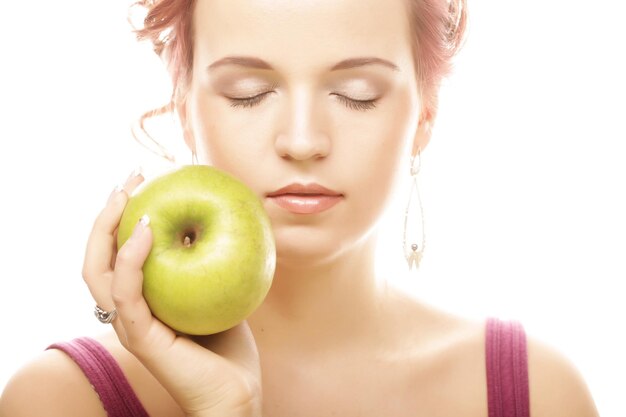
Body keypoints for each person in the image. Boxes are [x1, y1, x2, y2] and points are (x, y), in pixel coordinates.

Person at [0, 0, 600, 416]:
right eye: (249, 94)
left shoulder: (537, 395)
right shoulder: (62, 402)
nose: (303, 140)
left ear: (424, 115)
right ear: (184, 110)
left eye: (356, 95)